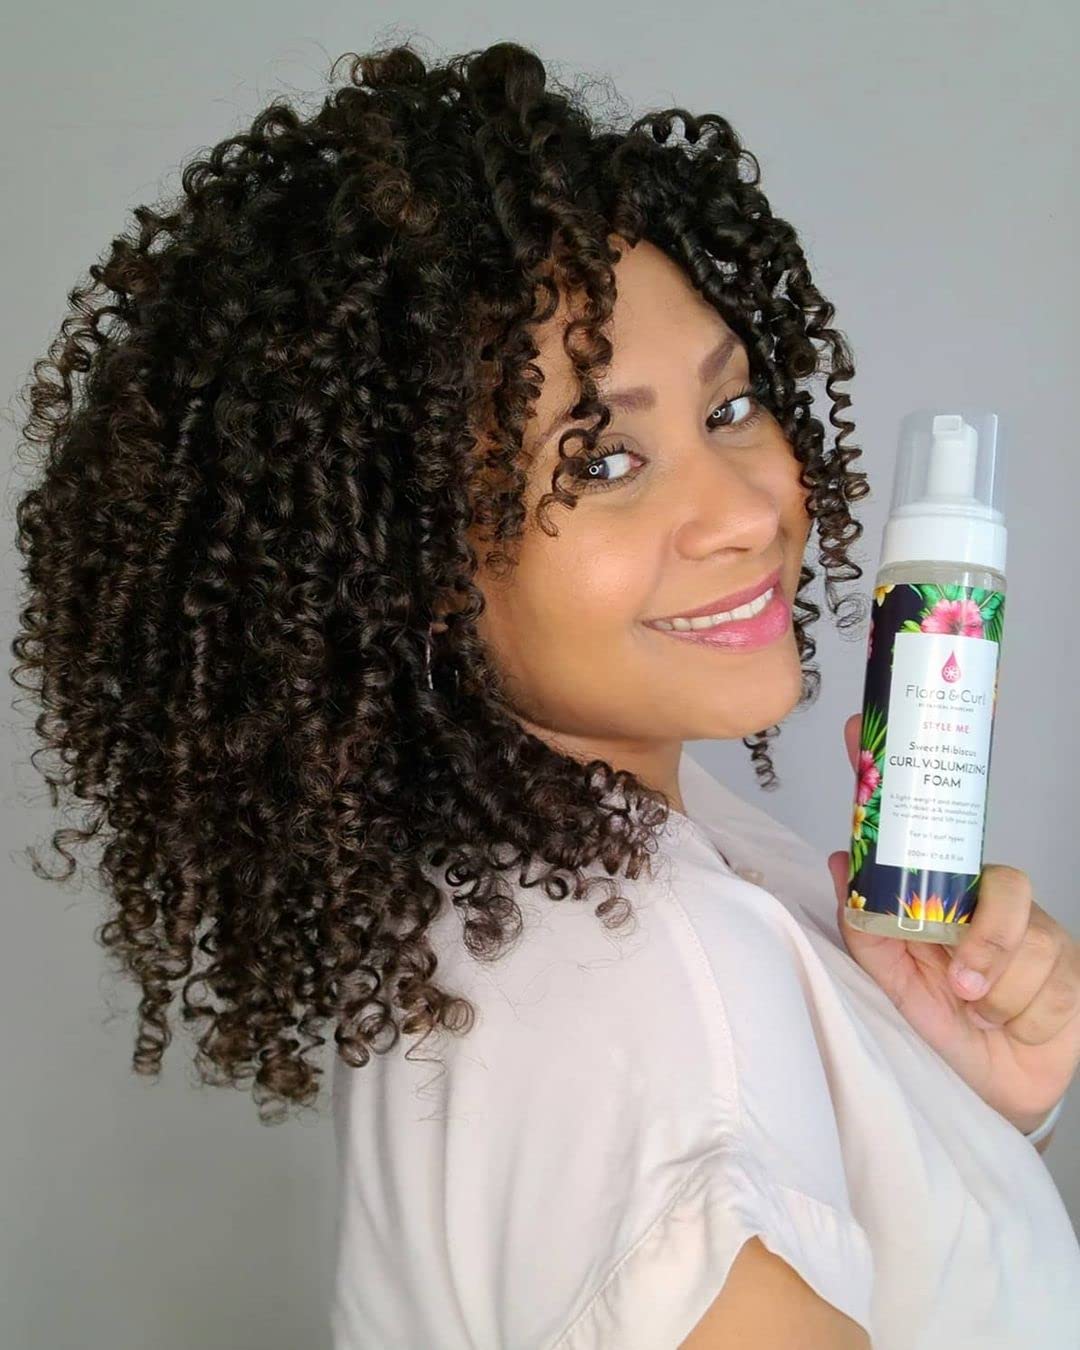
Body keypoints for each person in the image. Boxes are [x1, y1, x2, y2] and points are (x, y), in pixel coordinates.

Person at [10, 38, 1078, 1350]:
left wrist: (968, 1105)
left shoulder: (570, 882)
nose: (748, 511)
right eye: (605, 460)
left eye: (730, 406)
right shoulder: (650, 976)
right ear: (409, 572)